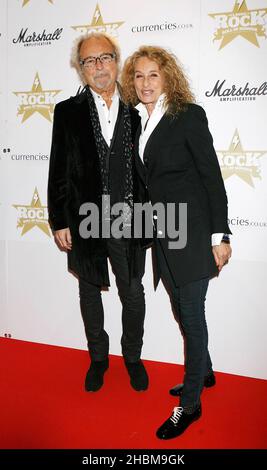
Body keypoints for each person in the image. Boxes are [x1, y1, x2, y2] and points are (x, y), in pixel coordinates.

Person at [121, 46, 232, 439]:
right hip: (164, 232)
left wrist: (220, 235)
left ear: (167, 77)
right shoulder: (137, 121)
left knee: (191, 312)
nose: (145, 83)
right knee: (180, 309)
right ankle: (205, 372)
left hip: (194, 231)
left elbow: (211, 178)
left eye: (153, 74)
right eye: (138, 75)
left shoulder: (187, 115)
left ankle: (191, 404)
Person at [47, 33, 149, 394]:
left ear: (116, 60)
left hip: (127, 218)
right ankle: (99, 359)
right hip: (83, 217)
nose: (98, 66)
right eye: (89, 61)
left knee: (133, 292)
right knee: (89, 291)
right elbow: (58, 168)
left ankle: (133, 358)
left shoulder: (138, 108)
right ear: (81, 68)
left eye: (104, 57)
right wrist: (58, 219)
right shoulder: (67, 111)